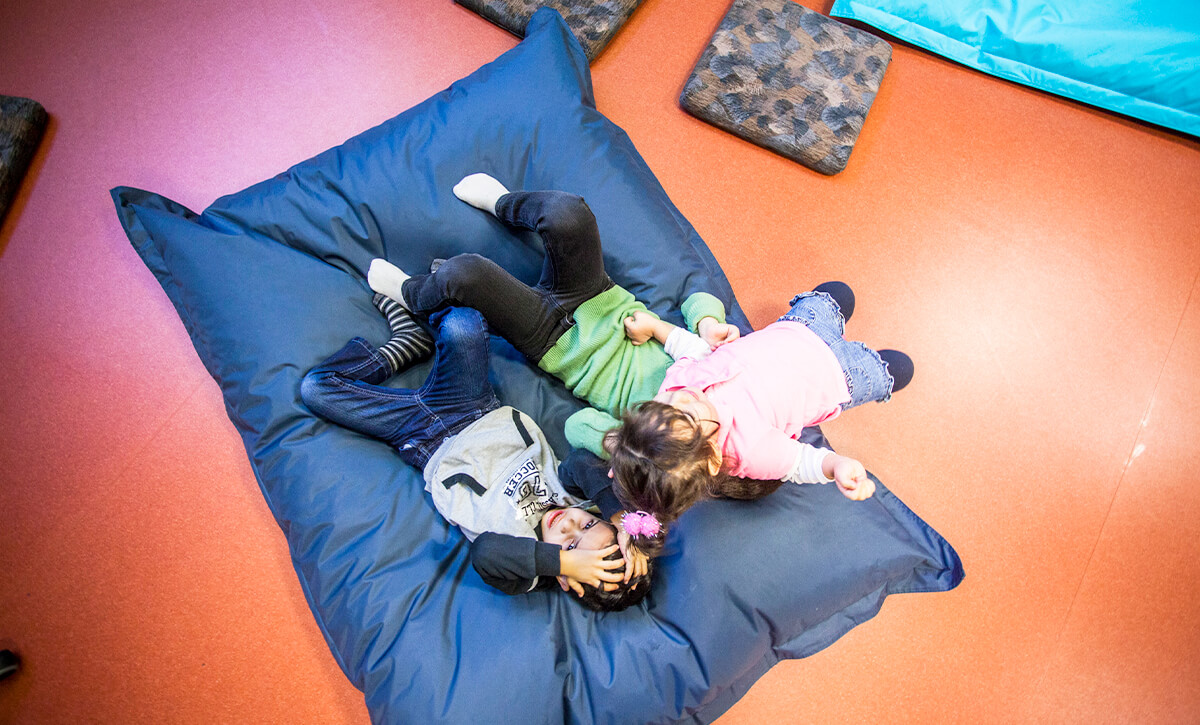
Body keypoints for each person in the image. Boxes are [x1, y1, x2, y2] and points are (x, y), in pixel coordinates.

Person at [299, 296, 650, 610]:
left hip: (422, 440)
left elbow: (485, 554)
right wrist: (618, 515)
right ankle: (414, 338)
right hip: (471, 406)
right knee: (463, 323)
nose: (571, 525)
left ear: (565, 580)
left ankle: (393, 354)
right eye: (588, 524)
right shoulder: (573, 499)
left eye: (570, 547)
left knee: (316, 389)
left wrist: (560, 562)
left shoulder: (527, 568)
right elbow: (581, 463)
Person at [608, 283, 914, 553]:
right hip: (843, 376)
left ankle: (837, 318)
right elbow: (799, 462)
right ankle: (880, 369)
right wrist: (837, 465)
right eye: (686, 413)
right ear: (713, 458)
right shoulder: (751, 449)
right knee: (900, 368)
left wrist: (655, 327)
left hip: (800, 327)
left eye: (661, 403)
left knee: (839, 292)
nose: (681, 395)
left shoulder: (678, 389)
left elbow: (692, 350)